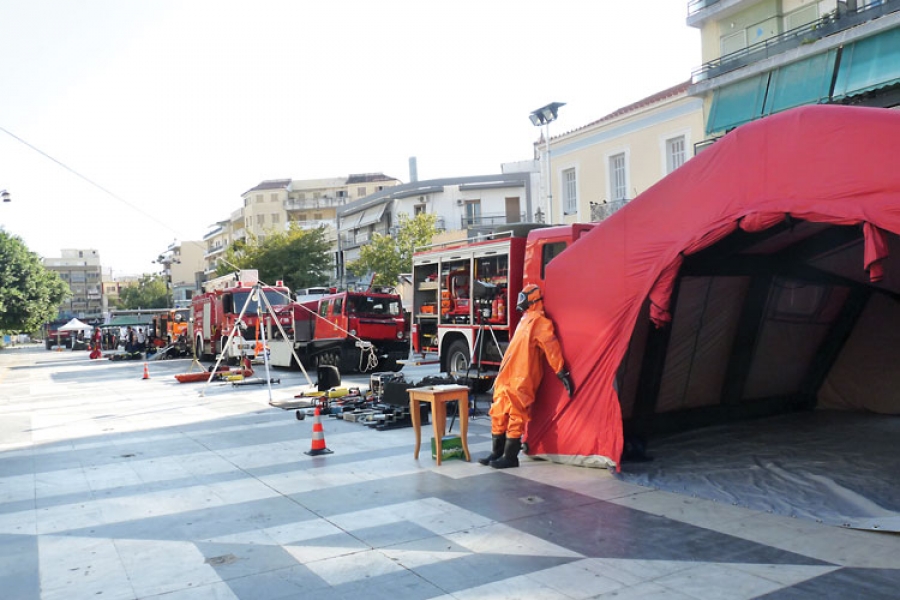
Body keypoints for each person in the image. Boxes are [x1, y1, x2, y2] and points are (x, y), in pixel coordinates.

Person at [478, 283, 574, 469]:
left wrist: (561, 371)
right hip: (507, 376)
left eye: (523, 297)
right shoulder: (525, 320)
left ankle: (510, 456)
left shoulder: (540, 322)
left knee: (516, 414)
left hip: (522, 377)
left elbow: (551, 348)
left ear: (533, 299)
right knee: (498, 412)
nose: (520, 301)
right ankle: (497, 452)